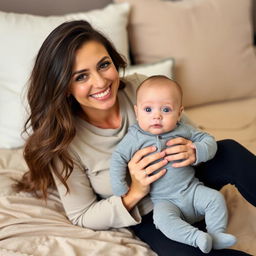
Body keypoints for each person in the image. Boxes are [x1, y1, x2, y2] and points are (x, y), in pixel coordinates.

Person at [15, 20, 256, 256]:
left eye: (103, 65)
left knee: (229, 151)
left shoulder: (140, 87)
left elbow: (194, 133)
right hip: (152, 212)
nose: (100, 82)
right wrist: (134, 192)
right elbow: (82, 215)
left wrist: (193, 150)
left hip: (189, 182)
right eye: (81, 77)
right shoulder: (63, 142)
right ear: (63, 86)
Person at [109, 75, 236, 253]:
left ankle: (217, 234)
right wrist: (122, 191)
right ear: (136, 112)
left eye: (166, 110)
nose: (157, 116)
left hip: (192, 190)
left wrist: (197, 150)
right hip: (164, 201)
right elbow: (117, 160)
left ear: (179, 112)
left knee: (215, 199)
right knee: (162, 221)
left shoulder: (182, 130)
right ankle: (197, 237)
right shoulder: (134, 138)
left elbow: (208, 139)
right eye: (148, 109)